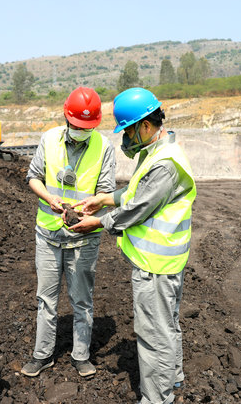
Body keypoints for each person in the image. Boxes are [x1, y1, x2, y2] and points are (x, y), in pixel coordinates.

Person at [69, 87, 196, 403]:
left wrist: (99, 221)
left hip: (156, 266)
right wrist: (105, 198)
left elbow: (139, 208)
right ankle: (173, 378)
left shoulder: (164, 164)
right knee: (167, 325)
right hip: (164, 262)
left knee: (153, 334)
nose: (125, 138)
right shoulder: (157, 152)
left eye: (127, 131)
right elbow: (138, 191)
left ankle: (156, 398)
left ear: (145, 126)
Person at [21, 87, 116, 378]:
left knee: (82, 300)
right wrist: (49, 198)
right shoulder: (49, 139)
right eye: (77, 126)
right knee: (45, 299)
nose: (81, 131)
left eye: (87, 127)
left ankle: (81, 355)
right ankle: (42, 355)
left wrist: (90, 207)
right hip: (48, 234)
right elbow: (33, 177)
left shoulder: (104, 147)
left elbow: (106, 191)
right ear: (66, 117)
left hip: (84, 237)